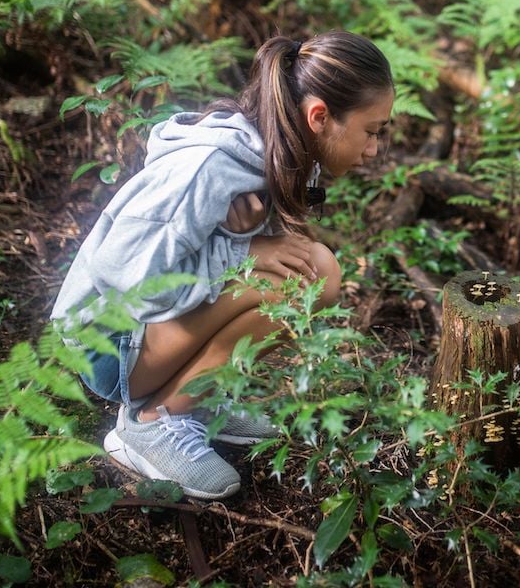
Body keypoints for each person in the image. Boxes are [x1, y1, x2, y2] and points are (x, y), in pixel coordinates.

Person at [52, 32, 394, 499]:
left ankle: (198, 400)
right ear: (319, 116)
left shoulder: (275, 148)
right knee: (311, 276)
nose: (374, 149)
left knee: (312, 268)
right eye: (371, 131)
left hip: (139, 336)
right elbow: (130, 276)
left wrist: (241, 239)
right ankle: (152, 423)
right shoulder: (209, 166)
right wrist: (242, 251)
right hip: (106, 345)